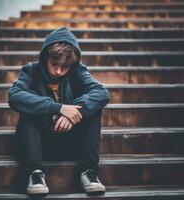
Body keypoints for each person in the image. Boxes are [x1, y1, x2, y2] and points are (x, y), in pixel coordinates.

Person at [8, 26, 109, 195]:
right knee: (30, 109)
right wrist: (59, 108)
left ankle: (89, 172)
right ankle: (35, 173)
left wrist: (74, 114)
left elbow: (101, 93)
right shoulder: (31, 71)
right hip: (37, 144)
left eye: (65, 66)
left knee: (93, 110)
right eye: (54, 64)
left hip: (68, 142)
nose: (58, 71)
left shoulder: (78, 71)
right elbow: (14, 95)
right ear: (45, 57)